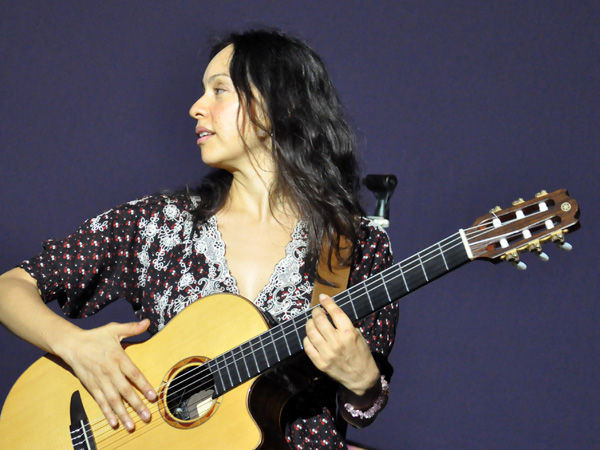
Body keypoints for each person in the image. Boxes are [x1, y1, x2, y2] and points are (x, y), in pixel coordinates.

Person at [0, 28, 398, 449]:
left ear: (283, 103)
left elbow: (361, 407)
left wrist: (364, 383)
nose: (195, 107)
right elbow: (10, 286)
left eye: (219, 90)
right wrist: (74, 345)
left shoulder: (356, 243)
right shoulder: (161, 223)